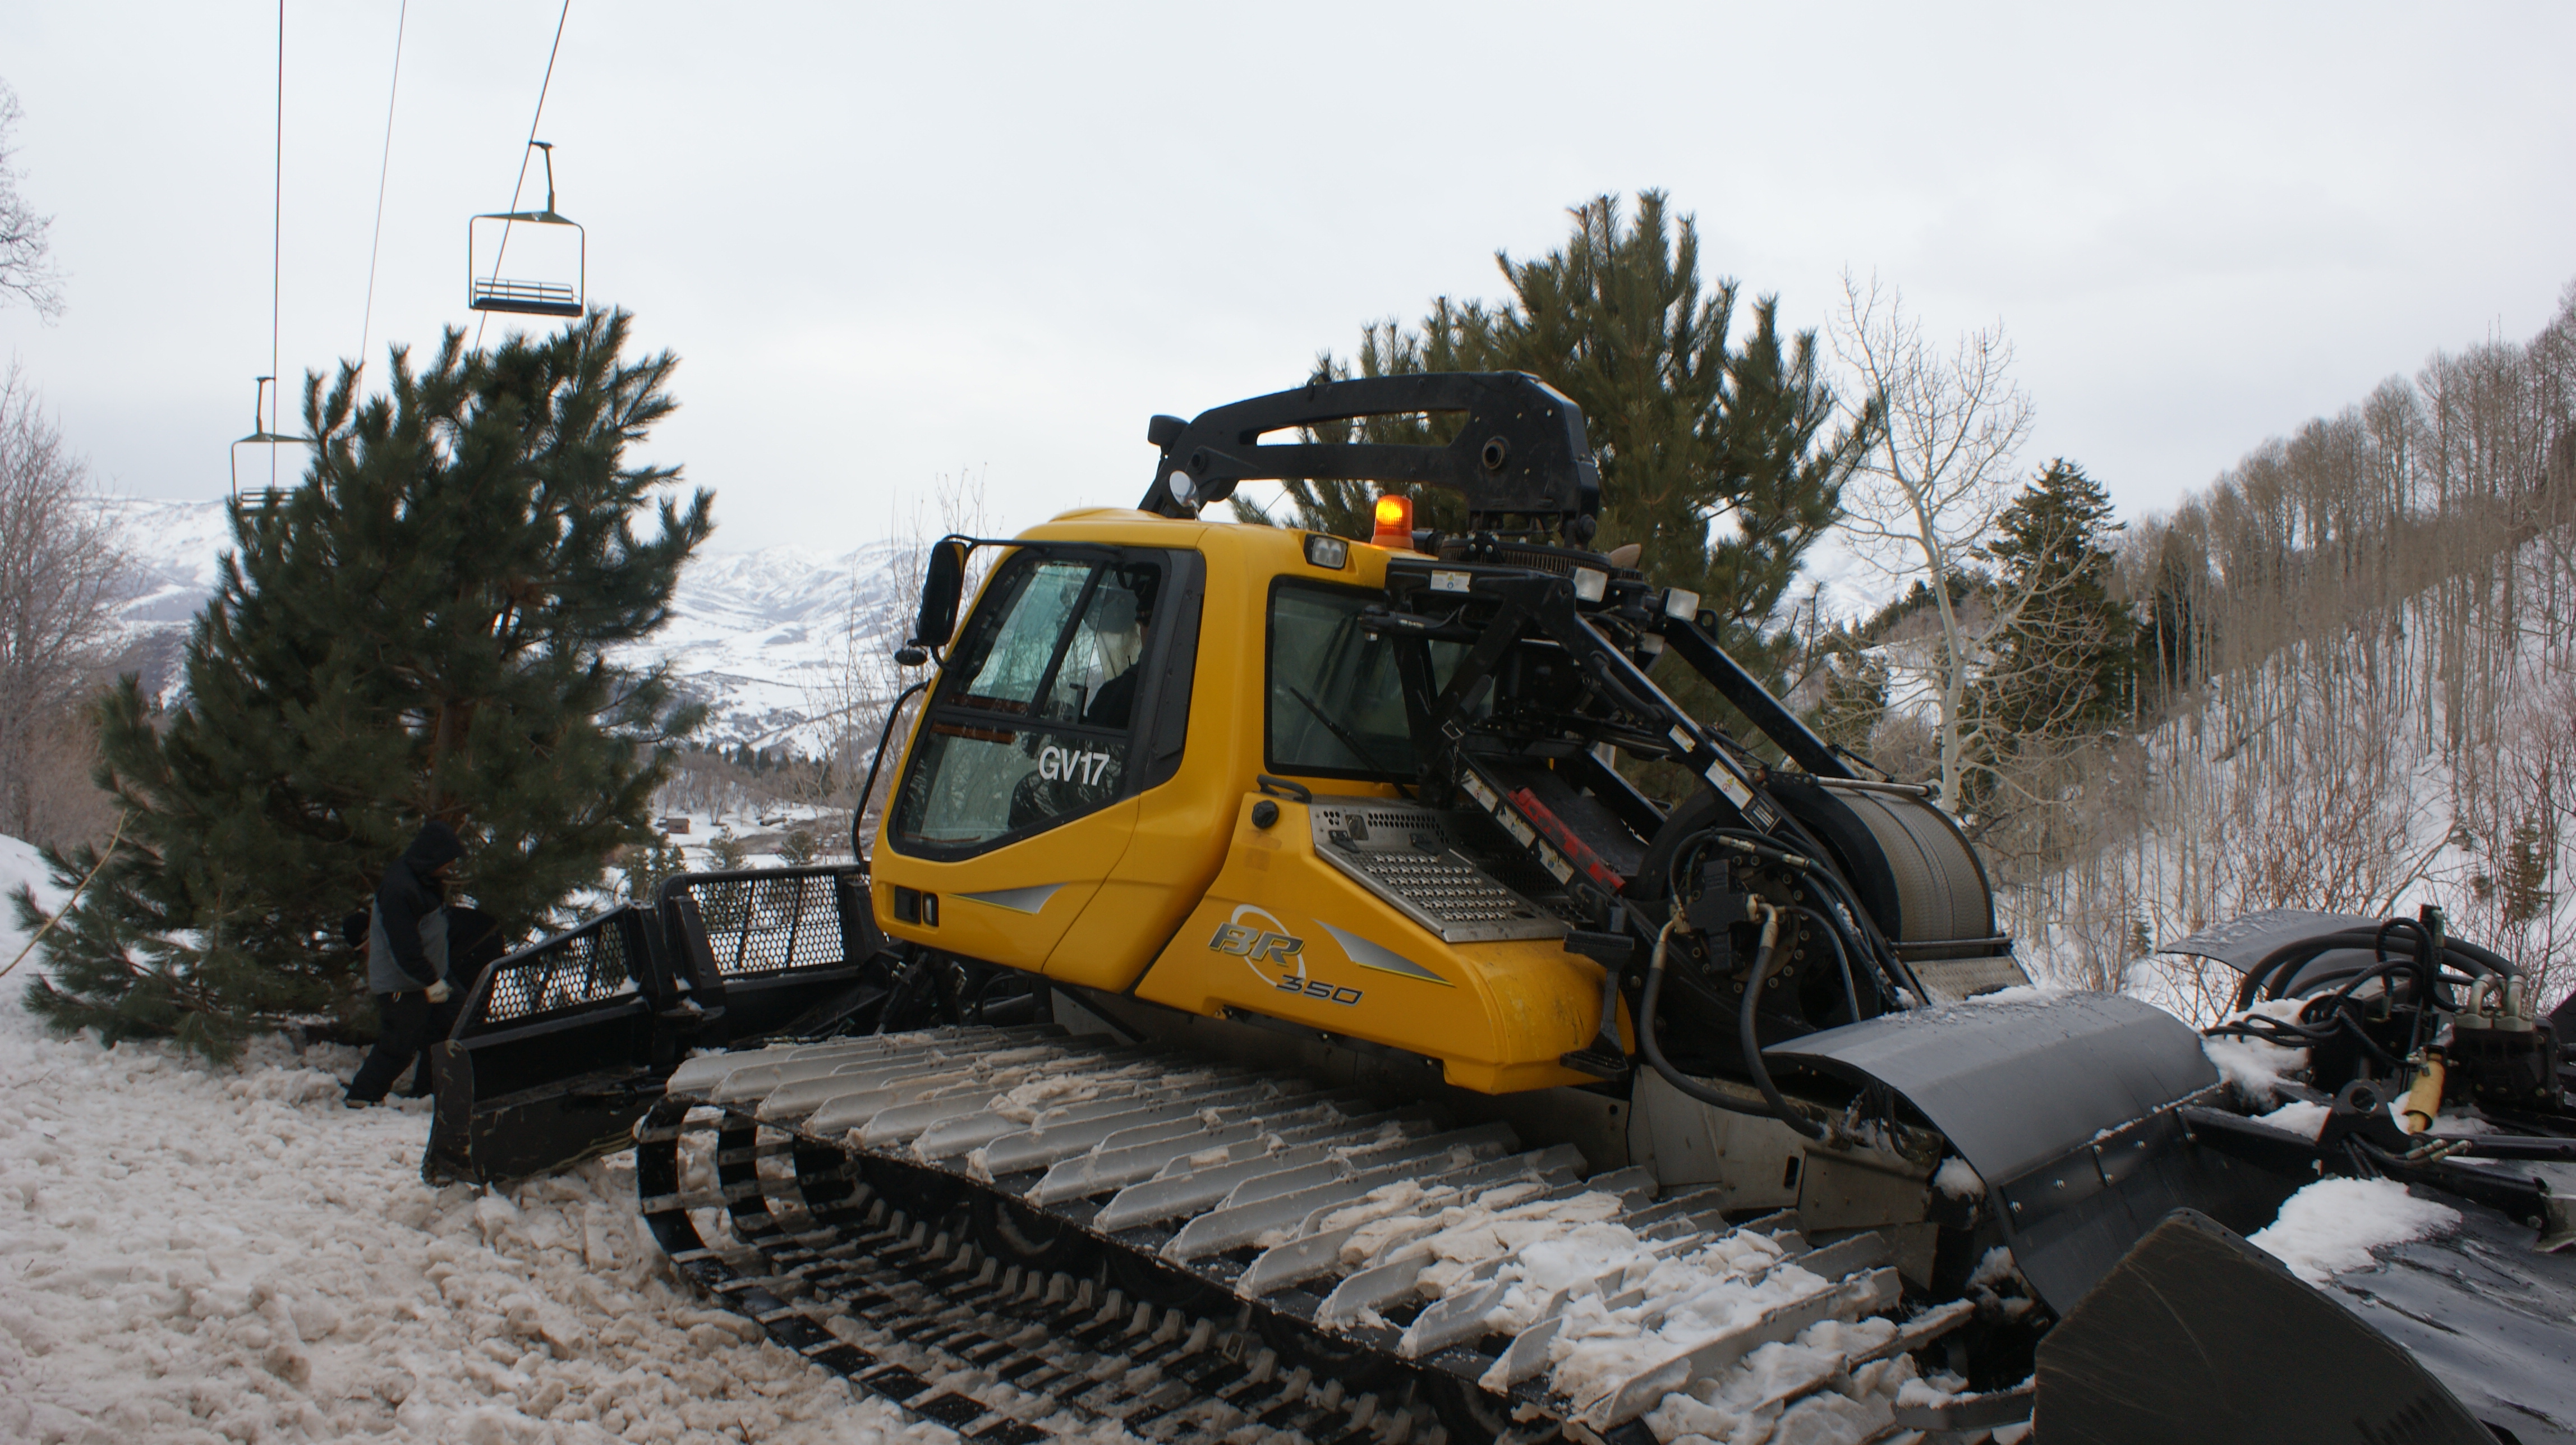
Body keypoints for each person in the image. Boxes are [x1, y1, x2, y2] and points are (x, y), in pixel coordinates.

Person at [344, 821, 466, 1107]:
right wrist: (431, 982)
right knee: (398, 1044)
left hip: (433, 974)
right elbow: (404, 948)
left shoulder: (424, 877)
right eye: (446, 862)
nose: (449, 868)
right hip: (403, 982)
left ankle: (427, 1092)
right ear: (432, 856)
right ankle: (362, 1097)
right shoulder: (400, 890)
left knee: (454, 1023)